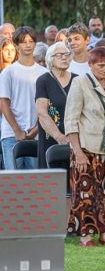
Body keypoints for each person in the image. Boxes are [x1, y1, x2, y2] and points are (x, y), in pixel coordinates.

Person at [64, 47, 105, 247]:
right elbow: (70, 120)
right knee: (86, 195)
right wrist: (77, 152)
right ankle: (85, 237)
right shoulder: (80, 83)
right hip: (86, 148)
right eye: (101, 65)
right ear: (90, 65)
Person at [0, 27, 48, 169]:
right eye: (23, 42)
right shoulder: (8, 72)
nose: (28, 45)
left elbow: (47, 105)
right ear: (16, 45)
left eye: (31, 41)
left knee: (34, 180)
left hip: (36, 135)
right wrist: (17, 130)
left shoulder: (44, 73)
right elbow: (3, 103)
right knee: (13, 180)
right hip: (11, 135)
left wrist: (37, 129)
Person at [35, 42, 76, 168]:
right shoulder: (44, 81)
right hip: (51, 139)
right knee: (51, 178)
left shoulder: (78, 80)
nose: (64, 58)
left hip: (75, 140)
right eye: (59, 55)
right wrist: (59, 137)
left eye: (66, 54)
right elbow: (42, 113)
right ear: (50, 60)